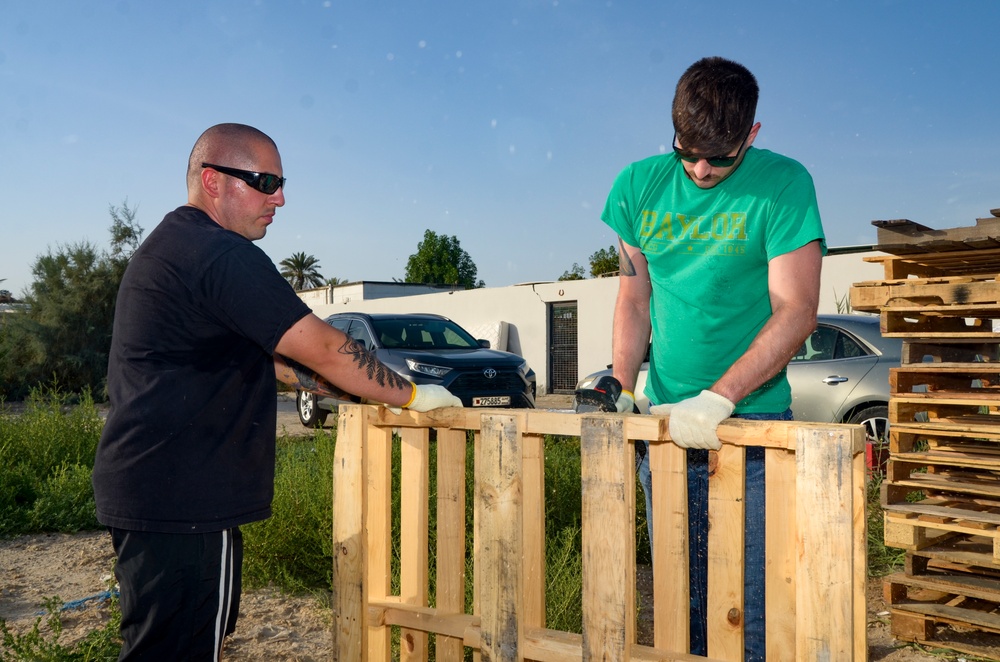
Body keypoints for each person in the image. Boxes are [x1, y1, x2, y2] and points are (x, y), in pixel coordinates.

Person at [91, 123, 462, 661]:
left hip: (157, 489)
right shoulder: (219, 253)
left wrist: (357, 393)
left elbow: (281, 365)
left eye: (281, 182)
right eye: (265, 181)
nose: (280, 198)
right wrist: (412, 396)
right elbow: (325, 347)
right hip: (182, 497)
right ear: (213, 181)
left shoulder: (180, 245)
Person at [602, 57, 825, 661]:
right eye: (689, 151)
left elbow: (797, 309)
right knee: (682, 599)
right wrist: (622, 384)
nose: (702, 169)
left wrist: (720, 398)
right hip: (668, 425)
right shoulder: (637, 186)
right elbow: (633, 294)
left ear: (752, 135)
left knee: (748, 608)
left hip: (752, 428)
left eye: (721, 156)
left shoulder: (784, 184)